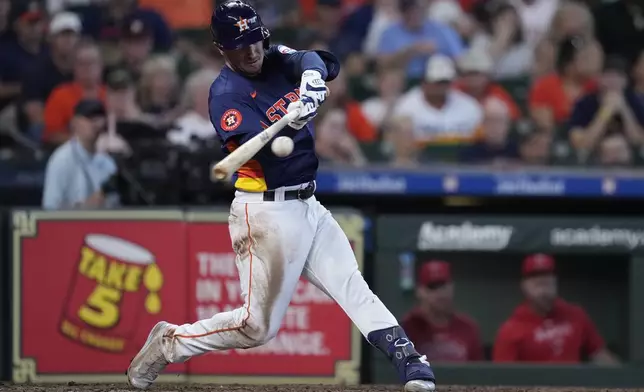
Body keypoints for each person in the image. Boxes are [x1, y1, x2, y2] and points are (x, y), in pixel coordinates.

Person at [126, 2, 436, 392]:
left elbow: (318, 59)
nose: (252, 52)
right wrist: (291, 118)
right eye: (241, 46)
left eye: (255, 40)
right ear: (222, 49)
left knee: (350, 284)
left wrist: (311, 82)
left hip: (308, 203)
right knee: (257, 328)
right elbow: (264, 155)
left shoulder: (273, 58)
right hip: (265, 213)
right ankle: (170, 343)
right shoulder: (225, 94)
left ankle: (410, 361)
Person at [493, 254, 619, 364]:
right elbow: (502, 380)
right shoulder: (511, 329)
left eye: (548, 283)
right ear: (524, 286)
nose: (544, 291)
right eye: (538, 284)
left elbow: (600, 355)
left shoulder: (575, 315)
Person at [42, 99, 119, 209]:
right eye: (89, 119)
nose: (96, 124)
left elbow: (116, 205)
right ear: (75, 123)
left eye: (99, 118)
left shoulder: (107, 162)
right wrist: (83, 208)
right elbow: (49, 207)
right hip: (70, 224)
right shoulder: (62, 159)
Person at [402, 260, 484, 362]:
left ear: (452, 288)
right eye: (432, 287)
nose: (440, 293)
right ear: (420, 291)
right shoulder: (408, 327)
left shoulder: (467, 327)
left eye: (443, 286)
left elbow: (478, 373)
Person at [567, 56, 644, 161]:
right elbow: (581, 143)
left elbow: (638, 141)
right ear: (599, 79)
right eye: (608, 77)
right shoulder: (585, 103)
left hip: (630, 160)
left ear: (625, 81)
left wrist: (624, 110)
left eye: (618, 77)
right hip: (593, 159)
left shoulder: (635, 101)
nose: (613, 82)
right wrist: (606, 111)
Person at [43, 41, 106, 146]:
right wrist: (83, 141)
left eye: (91, 62)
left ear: (101, 66)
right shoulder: (60, 95)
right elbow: (51, 135)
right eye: (82, 63)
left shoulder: (112, 94)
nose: (87, 68)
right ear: (74, 67)